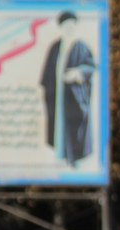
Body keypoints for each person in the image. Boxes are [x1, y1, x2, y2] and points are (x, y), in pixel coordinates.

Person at [39, 11, 95, 166]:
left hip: (73, 98)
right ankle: (60, 157)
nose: (69, 29)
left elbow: (90, 67)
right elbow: (47, 73)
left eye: (71, 25)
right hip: (57, 97)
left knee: (73, 129)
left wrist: (77, 73)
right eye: (66, 26)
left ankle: (74, 159)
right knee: (57, 128)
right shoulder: (56, 47)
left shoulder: (80, 46)